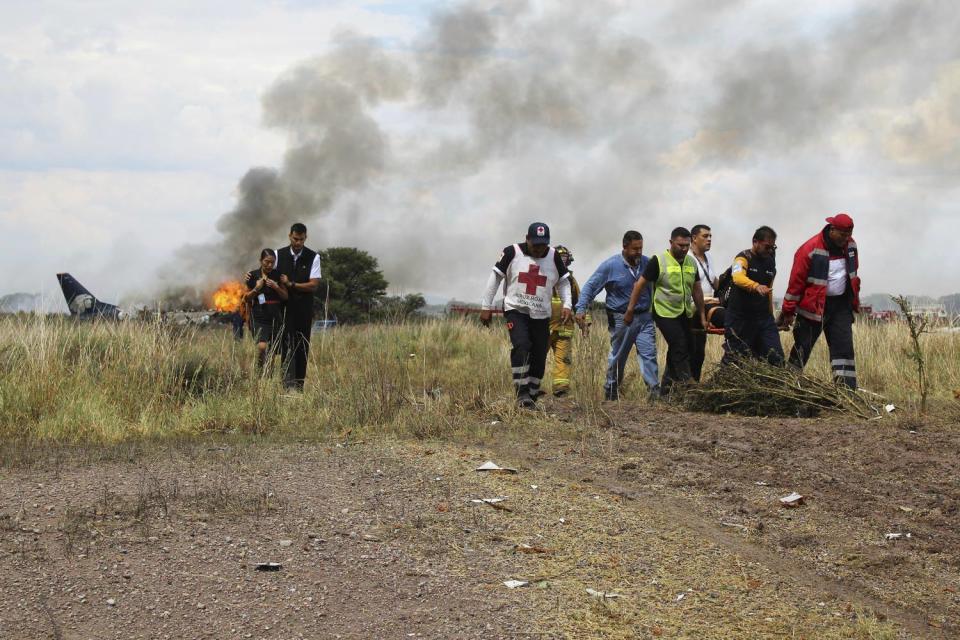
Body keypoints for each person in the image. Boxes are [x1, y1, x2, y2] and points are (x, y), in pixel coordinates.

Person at [480, 222, 573, 409]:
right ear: (527, 239)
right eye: (535, 244)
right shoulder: (511, 252)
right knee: (522, 346)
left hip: (541, 314)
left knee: (539, 355)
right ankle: (521, 392)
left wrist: (567, 304)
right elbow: (496, 277)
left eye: (543, 245)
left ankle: (531, 393)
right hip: (516, 310)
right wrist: (486, 306)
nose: (539, 249)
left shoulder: (553, 256)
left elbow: (564, 282)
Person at [777, 213, 861, 389]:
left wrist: (853, 303)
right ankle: (788, 386)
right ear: (832, 229)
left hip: (840, 308)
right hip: (813, 309)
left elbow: (853, 275)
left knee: (843, 350)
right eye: (842, 235)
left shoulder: (851, 246)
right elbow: (795, 284)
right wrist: (787, 311)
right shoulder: (810, 249)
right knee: (802, 347)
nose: (846, 239)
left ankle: (847, 392)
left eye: (848, 235)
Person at [575, 230, 659, 401]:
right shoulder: (610, 266)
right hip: (621, 318)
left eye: (641, 248)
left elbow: (657, 286)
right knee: (619, 355)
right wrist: (581, 309)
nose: (639, 252)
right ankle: (611, 390)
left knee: (649, 354)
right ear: (625, 247)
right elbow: (590, 287)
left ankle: (654, 392)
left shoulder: (647, 263)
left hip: (644, 317)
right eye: (635, 249)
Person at [624, 227, 706, 397]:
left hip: (684, 313)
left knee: (688, 347)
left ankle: (665, 391)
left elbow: (697, 290)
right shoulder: (659, 261)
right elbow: (639, 285)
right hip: (664, 313)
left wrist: (703, 316)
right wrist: (630, 310)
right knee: (679, 345)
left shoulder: (691, 263)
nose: (683, 249)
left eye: (686, 245)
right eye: (680, 245)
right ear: (671, 243)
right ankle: (687, 383)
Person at [721, 226, 784, 366]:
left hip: (763, 318)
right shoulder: (742, 258)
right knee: (736, 360)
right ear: (755, 242)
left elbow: (769, 290)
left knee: (776, 358)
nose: (770, 251)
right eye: (767, 247)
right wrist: (755, 286)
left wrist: (771, 315)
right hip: (740, 318)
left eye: (773, 247)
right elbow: (737, 278)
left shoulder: (770, 261)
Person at [276, 223, 322, 391]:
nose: (298, 243)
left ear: (306, 238)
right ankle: (286, 386)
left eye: (301, 240)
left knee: (302, 345)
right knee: (286, 345)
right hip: (284, 309)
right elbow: (267, 273)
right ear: (290, 236)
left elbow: (313, 285)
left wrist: (291, 284)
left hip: (303, 309)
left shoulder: (313, 257)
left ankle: (299, 386)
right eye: (295, 239)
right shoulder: (278, 255)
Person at [548, 246, 588, 397]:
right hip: (555, 325)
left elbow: (579, 303)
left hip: (558, 326)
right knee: (552, 358)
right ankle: (535, 385)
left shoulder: (568, 279)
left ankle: (561, 387)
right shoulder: (566, 278)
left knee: (562, 358)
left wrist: (584, 324)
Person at [245, 249, 289, 371]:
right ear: (261, 261)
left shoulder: (278, 275)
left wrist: (276, 287)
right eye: (266, 262)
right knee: (262, 347)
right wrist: (256, 288)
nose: (269, 265)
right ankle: (260, 370)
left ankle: (267, 376)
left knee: (272, 349)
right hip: (259, 315)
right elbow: (246, 298)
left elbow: (285, 296)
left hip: (275, 316)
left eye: (272, 262)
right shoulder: (252, 275)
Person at [689, 224, 720, 381]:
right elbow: (692, 289)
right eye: (705, 236)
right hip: (693, 309)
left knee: (699, 354)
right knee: (688, 352)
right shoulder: (688, 258)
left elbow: (714, 281)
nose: (709, 239)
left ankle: (693, 386)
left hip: (708, 305)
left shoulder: (709, 258)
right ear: (694, 238)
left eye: (710, 236)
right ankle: (678, 390)